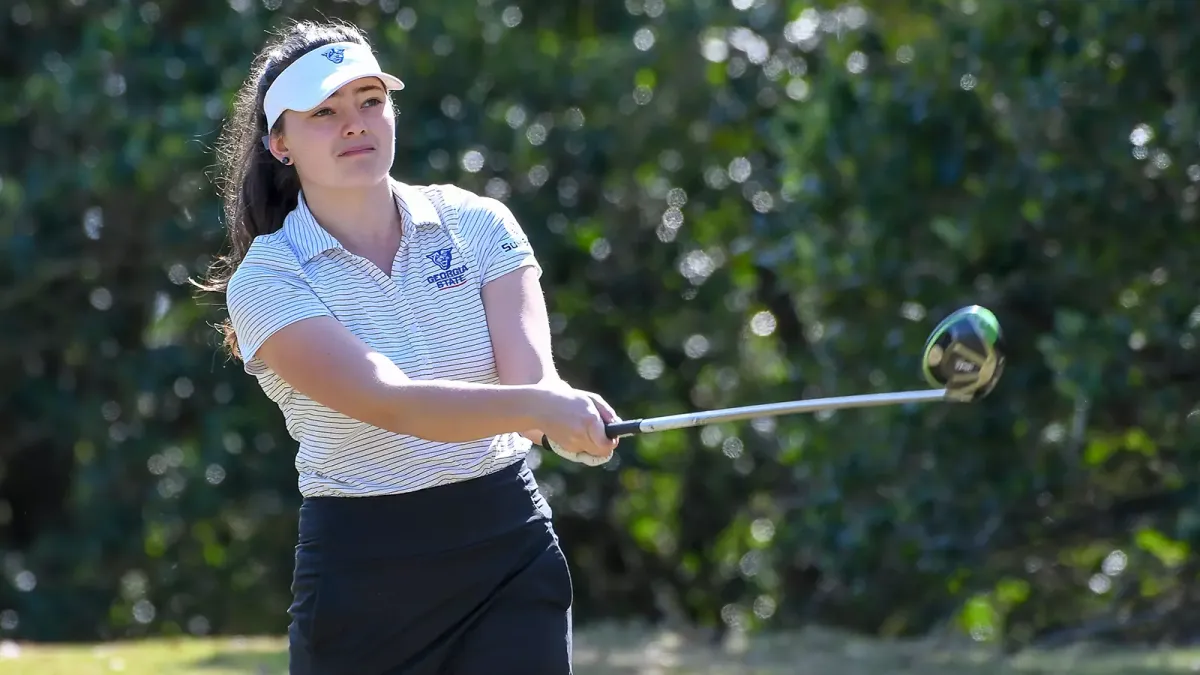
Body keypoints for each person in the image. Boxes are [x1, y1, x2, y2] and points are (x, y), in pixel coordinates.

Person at [198, 17, 621, 675]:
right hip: (365, 576)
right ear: (280, 144)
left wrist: (566, 425)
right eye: (325, 112)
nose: (355, 123)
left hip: (506, 548)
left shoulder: (480, 224)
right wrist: (541, 406)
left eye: (370, 101)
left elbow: (532, 382)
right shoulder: (268, 278)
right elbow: (389, 400)